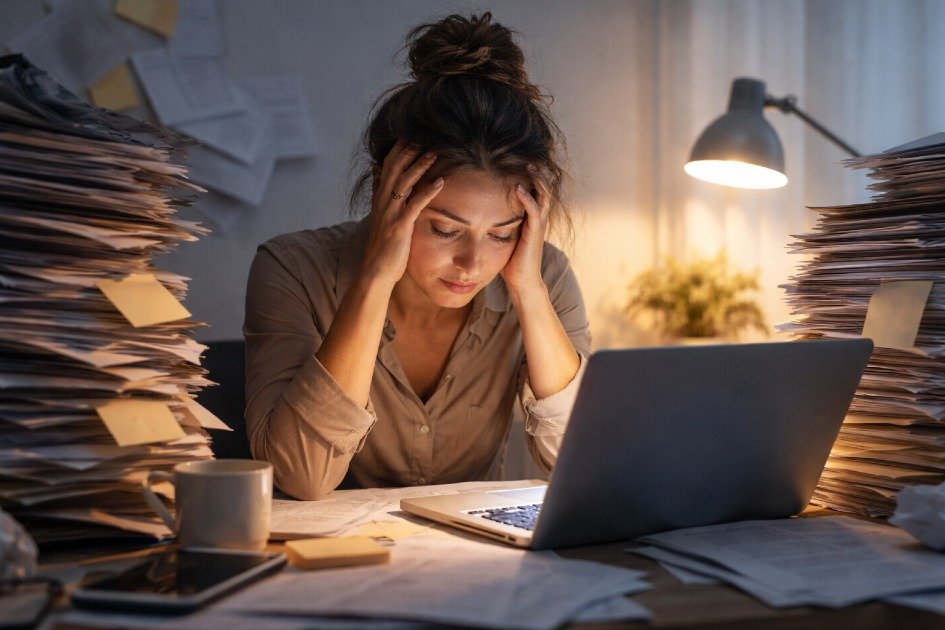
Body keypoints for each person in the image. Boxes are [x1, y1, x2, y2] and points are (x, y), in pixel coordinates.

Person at [243, 12, 591, 500]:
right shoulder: (293, 269)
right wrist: (374, 280)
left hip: (474, 557)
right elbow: (301, 476)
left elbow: (576, 462)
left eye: (501, 234)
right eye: (446, 229)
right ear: (389, 196)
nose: (473, 264)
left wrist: (529, 292)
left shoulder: (543, 275)